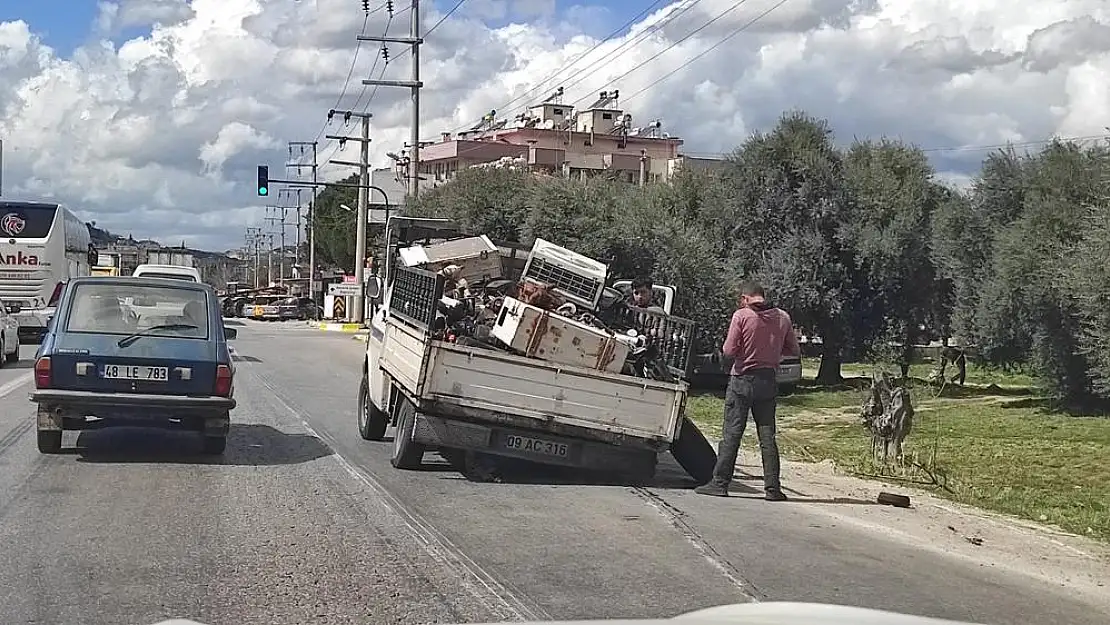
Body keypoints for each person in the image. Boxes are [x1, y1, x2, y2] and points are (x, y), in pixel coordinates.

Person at [695, 281, 799, 501]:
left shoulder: (742, 316)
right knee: (767, 436)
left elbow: (729, 350)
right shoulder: (782, 317)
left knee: (732, 433)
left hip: (742, 379)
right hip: (769, 380)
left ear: (744, 298)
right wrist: (773, 353)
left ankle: (720, 483)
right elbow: (793, 349)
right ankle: (772, 488)